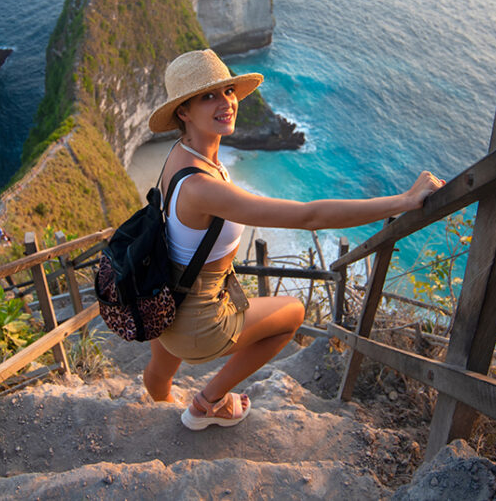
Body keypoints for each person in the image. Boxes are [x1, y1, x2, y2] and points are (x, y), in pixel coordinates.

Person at [143, 49, 445, 430]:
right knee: (293, 315)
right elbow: (309, 216)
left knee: (158, 373)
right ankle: (207, 405)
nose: (227, 103)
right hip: (197, 323)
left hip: (161, 302)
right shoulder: (204, 187)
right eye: (208, 96)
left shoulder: (179, 154)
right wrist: (403, 201)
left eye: (228, 91)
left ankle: (158, 413)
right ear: (183, 112)